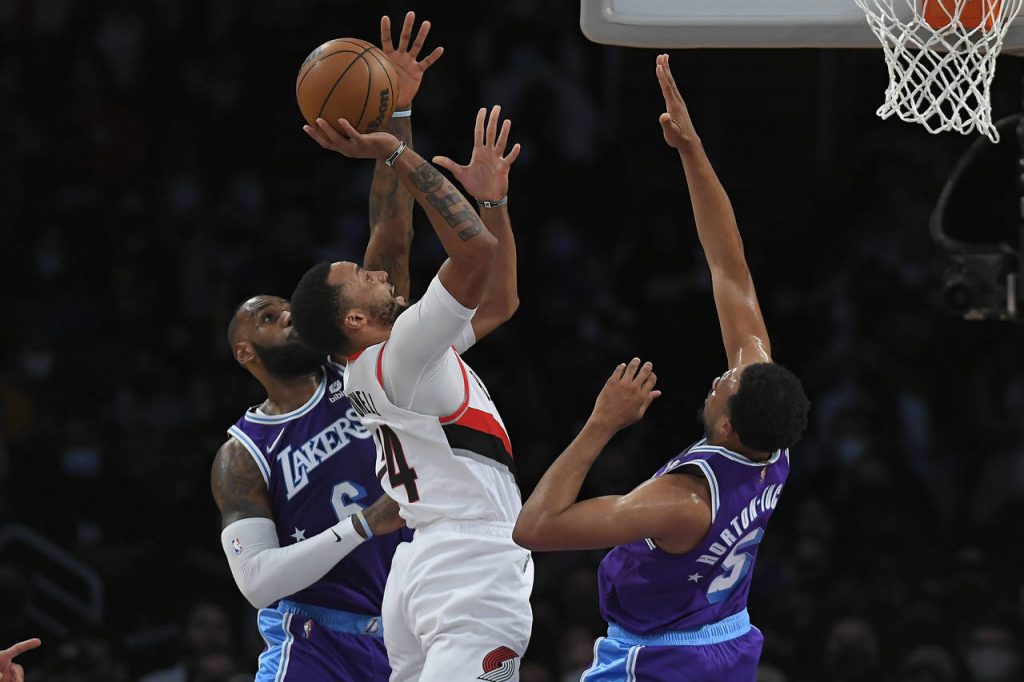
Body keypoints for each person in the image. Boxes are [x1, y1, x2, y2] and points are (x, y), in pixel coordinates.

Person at [512, 54, 810, 681]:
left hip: (663, 658)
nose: (721, 375)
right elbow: (729, 267)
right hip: (729, 631)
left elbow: (534, 528)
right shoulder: (772, 445)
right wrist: (692, 152)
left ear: (726, 426)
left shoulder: (683, 502)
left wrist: (602, 422)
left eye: (725, 385)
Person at [211, 12, 440, 681]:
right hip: (315, 643)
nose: (286, 314)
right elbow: (257, 581)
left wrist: (398, 114)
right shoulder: (242, 454)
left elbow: (391, 234)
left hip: (408, 633)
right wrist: (364, 525)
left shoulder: (358, 363)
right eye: (266, 318)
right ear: (246, 354)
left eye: (286, 306)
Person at [289, 104, 529, 680]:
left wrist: (491, 203)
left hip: (423, 566)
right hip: (471, 566)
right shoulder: (406, 354)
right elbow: (475, 252)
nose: (378, 274)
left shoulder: (387, 362)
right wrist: (393, 150)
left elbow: (499, 301)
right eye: (361, 278)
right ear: (352, 320)